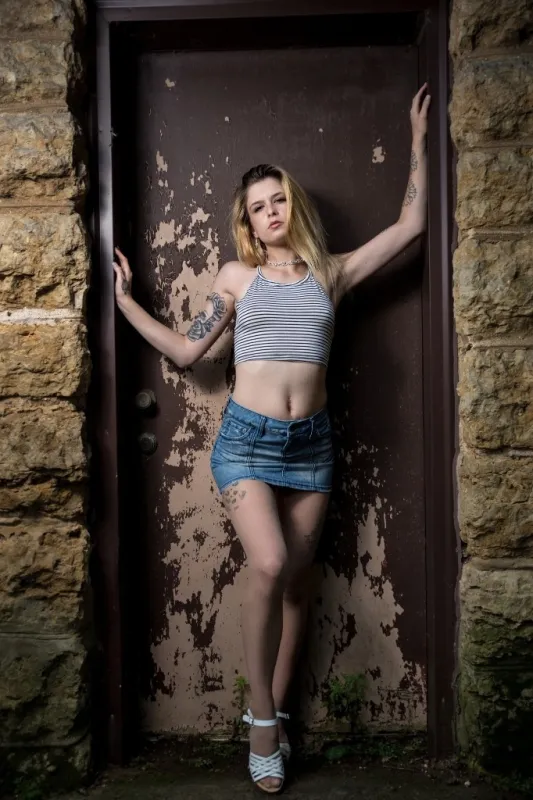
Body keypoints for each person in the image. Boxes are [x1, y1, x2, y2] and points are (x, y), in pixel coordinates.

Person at [113, 83, 430, 794]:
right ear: (249, 223)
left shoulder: (331, 273)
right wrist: (125, 302)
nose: (271, 211)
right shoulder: (238, 278)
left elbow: (411, 225)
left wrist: (416, 142)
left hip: (312, 447)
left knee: (295, 585)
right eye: (258, 206)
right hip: (246, 444)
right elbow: (189, 353)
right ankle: (260, 719)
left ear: (293, 207)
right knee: (269, 562)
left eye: (279, 199)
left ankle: (280, 710)